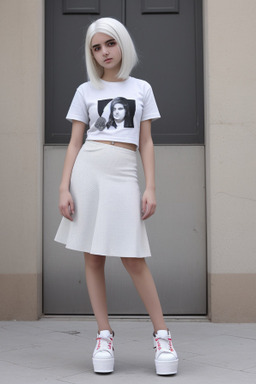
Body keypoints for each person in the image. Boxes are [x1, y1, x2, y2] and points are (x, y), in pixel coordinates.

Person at [54, 17, 178, 376]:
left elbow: (146, 141)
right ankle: (103, 334)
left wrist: (150, 186)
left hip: (124, 171)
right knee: (93, 256)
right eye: (96, 47)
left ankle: (163, 336)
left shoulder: (142, 88)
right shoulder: (85, 91)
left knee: (132, 257)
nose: (104, 52)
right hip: (88, 169)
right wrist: (63, 187)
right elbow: (75, 141)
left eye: (110, 43)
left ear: (122, 44)